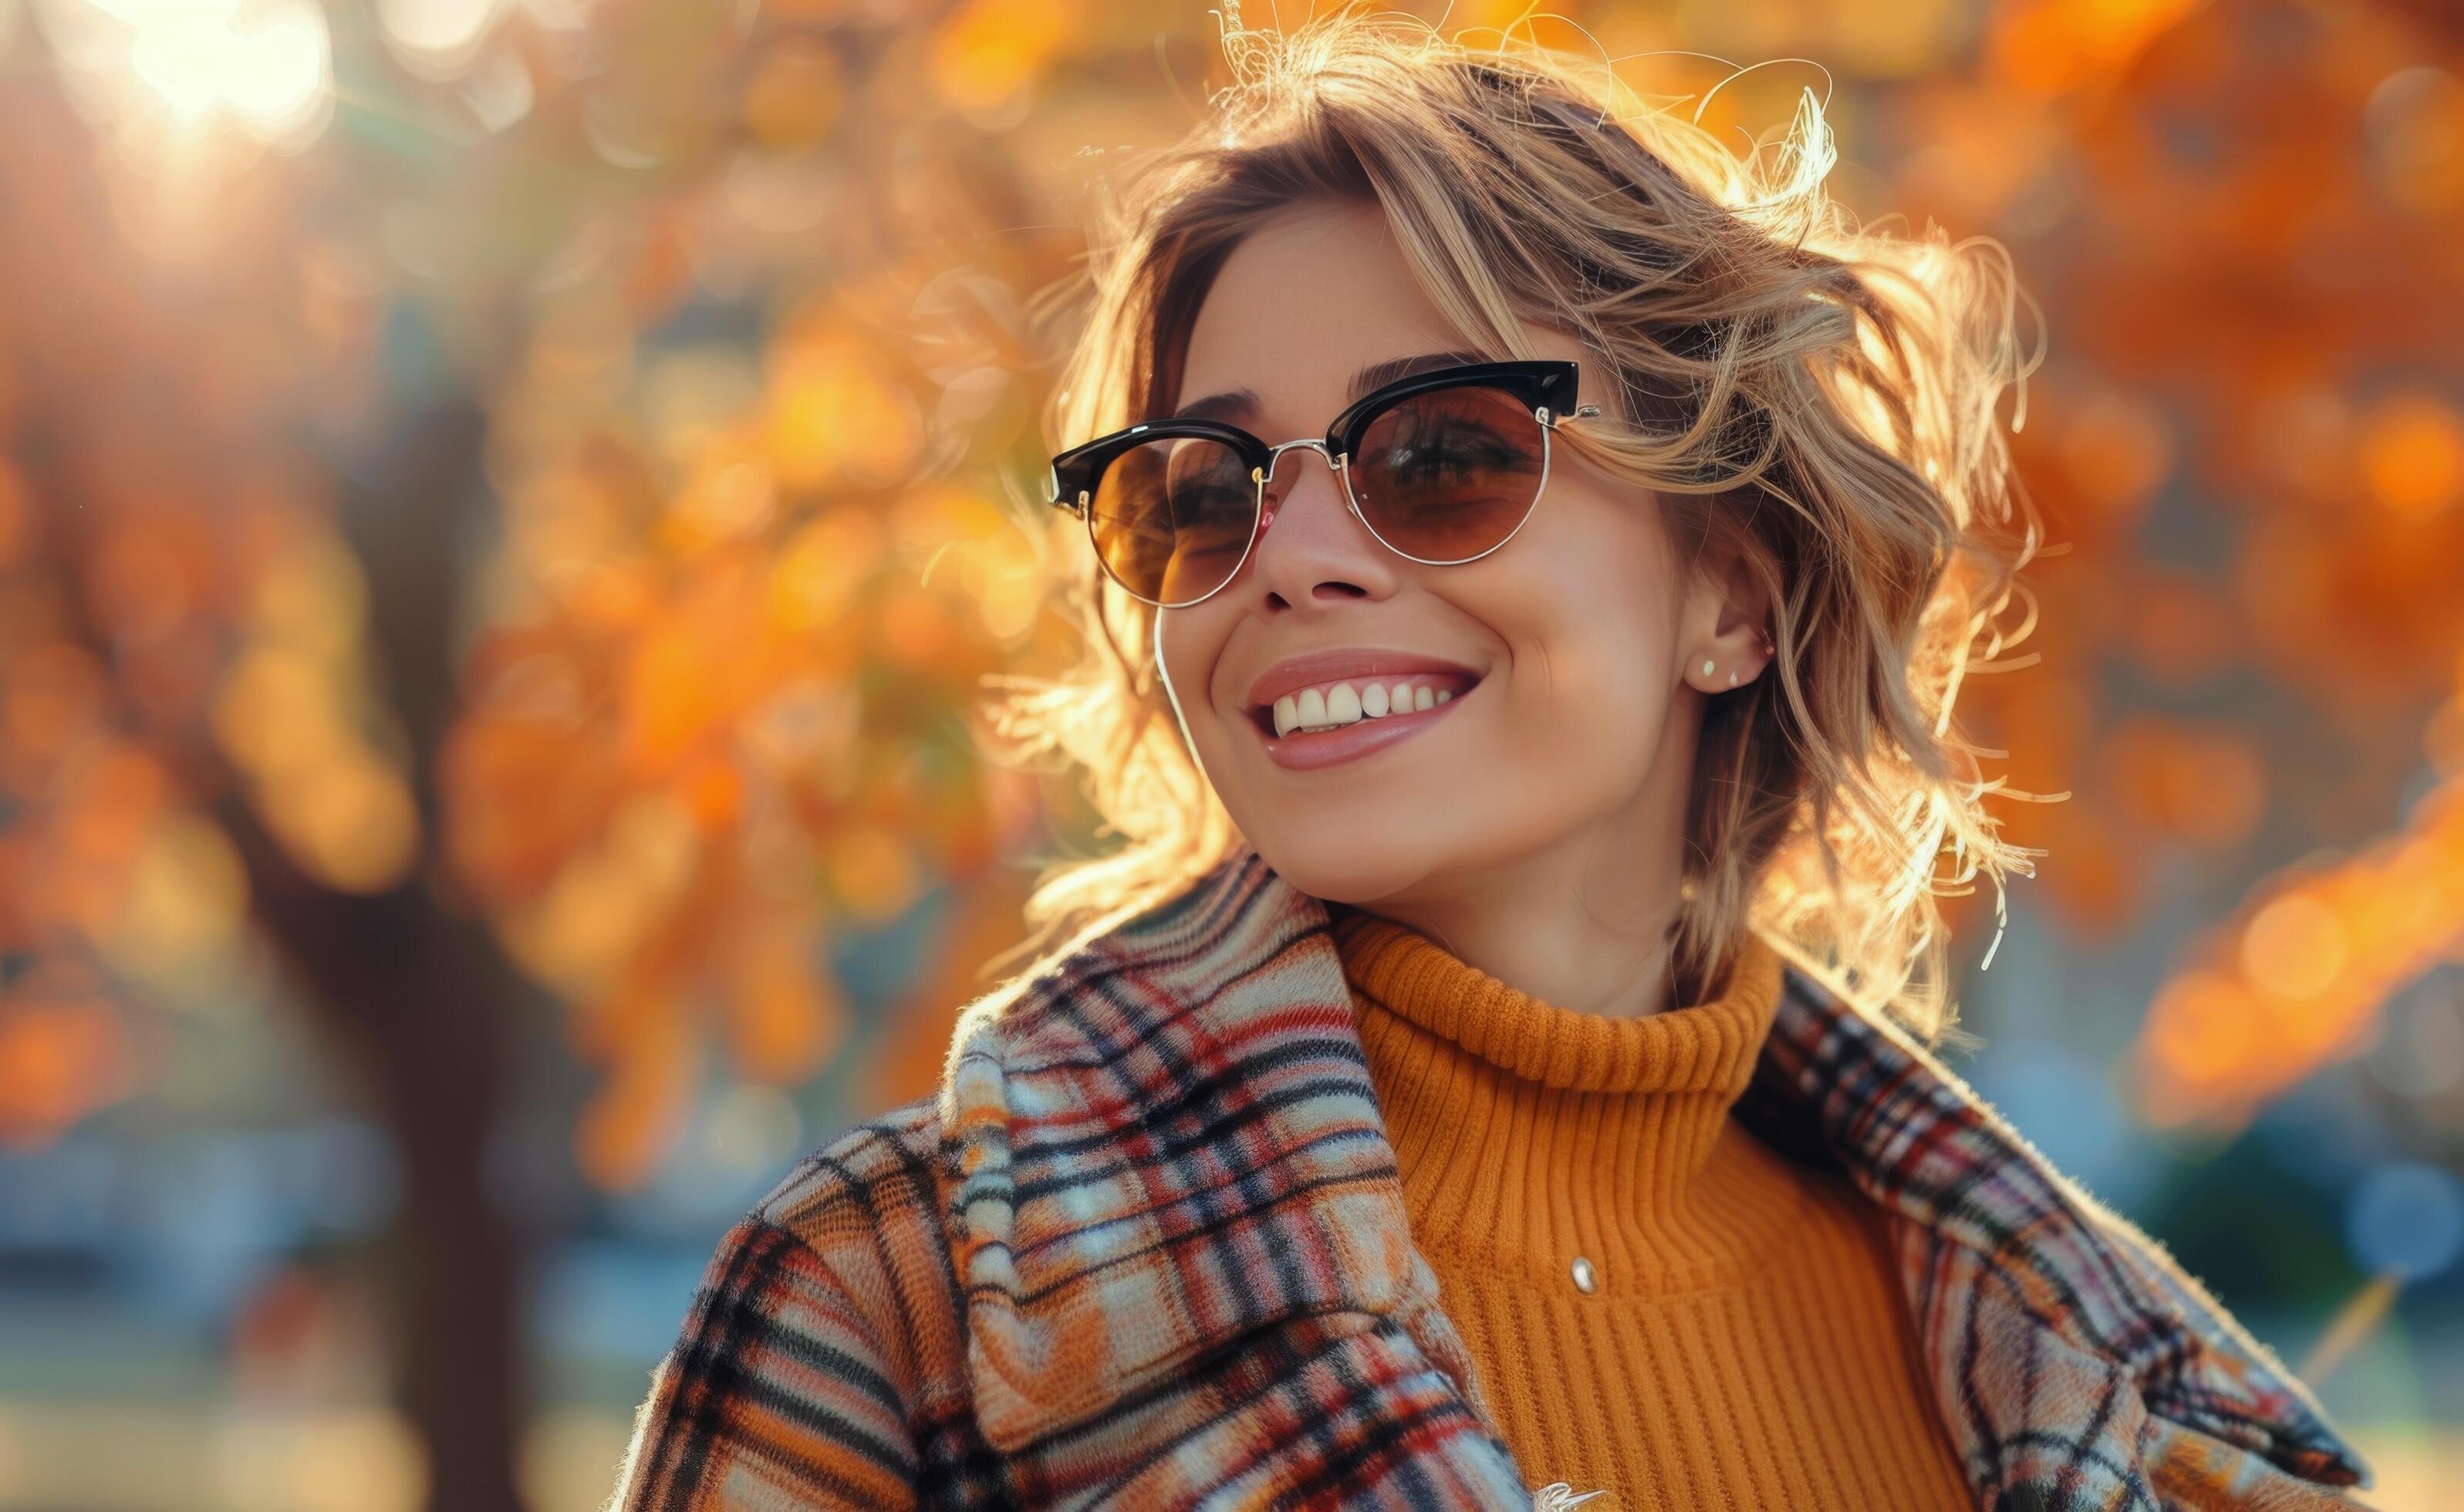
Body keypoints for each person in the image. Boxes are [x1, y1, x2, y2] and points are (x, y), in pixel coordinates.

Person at [609, 11, 2377, 1510]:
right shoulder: (885, 1308)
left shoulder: (2083, 1376)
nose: (1290, 553)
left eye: (1442, 450)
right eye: (1203, 490)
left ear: (1732, 592)